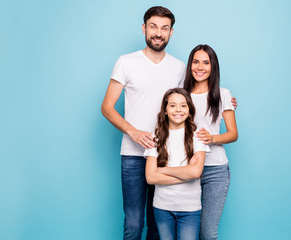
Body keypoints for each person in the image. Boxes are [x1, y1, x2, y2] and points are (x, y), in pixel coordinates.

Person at [101, 6, 185, 240]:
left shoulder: (178, 67)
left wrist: (224, 100)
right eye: (154, 27)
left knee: (159, 224)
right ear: (144, 28)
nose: (158, 33)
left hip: (166, 156)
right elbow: (107, 107)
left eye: (164, 28)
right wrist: (134, 132)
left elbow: (188, 104)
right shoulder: (126, 62)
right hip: (133, 155)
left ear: (171, 32)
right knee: (134, 224)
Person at [183, 44, 238, 239]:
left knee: (207, 233)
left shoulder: (223, 94)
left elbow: (233, 134)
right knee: (187, 232)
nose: (200, 67)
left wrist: (211, 138)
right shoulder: (181, 94)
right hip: (187, 169)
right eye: (196, 62)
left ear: (213, 67)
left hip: (216, 170)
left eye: (206, 63)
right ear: (190, 65)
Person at [144, 88, 210, 240]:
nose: (178, 110)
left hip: (190, 208)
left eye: (183, 105)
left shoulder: (198, 136)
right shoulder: (156, 138)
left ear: (189, 109)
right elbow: (150, 178)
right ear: (165, 110)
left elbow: (195, 173)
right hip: (162, 207)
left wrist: (161, 171)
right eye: (172, 105)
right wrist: (186, 171)